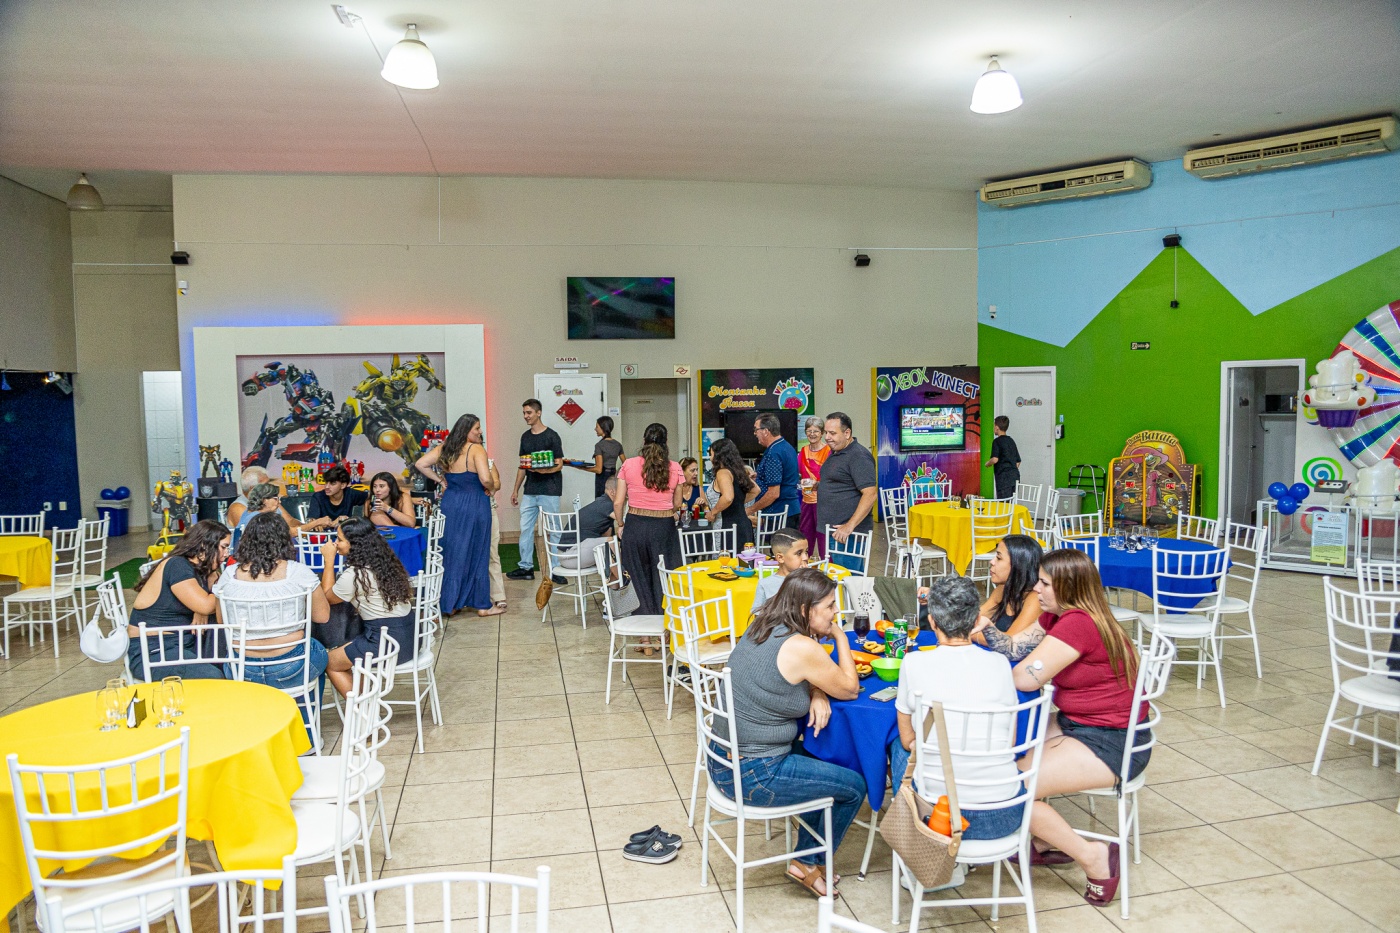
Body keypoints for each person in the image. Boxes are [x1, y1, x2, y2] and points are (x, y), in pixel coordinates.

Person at [706, 568, 864, 898]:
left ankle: (806, 857)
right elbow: (850, 689)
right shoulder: (801, 646)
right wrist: (840, 636)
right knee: (853, 786)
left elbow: (793, 675)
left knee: (824, 761)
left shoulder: (763, 624)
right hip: (753, 773)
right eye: (830, 606)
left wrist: (817, 691)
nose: (836, 613)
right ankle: (808, 862)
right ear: (806, 609)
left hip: (724, 760)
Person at [1010, 548, 1146, 907]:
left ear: (1068, 588)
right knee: (1008, 753)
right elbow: (1013, 647)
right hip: (1082, 723)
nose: (1035, 589)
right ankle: (1043, 839)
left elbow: (1024, 677)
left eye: (1044, 584)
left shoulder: (1078, 623)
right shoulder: (1060, 616)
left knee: (1010, 787)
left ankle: (1093, 856)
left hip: (1112, 740)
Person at [890, 576, 1025, 843]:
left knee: (897, 746)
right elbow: (1008, 742)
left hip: (938, 815)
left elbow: (908, 741)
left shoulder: (913, 663)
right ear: (977, 620)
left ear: (932, 622)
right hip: (1003, 813)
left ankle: (912, 837)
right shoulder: (1000, 664)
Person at [212, 512, 330, 709]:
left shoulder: (229, 575)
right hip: (292, 666)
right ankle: (305, 722)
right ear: (284, 539)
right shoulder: (298, 572)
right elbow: (323, 616)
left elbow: (221, 620)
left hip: (242, 668)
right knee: (317, 653)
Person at [320, 517, 417, 696]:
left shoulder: (355, 574)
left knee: (330, 662)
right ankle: (365, 699)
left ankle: (361, 709)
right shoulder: (385, 563)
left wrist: (329, 561)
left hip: (387, 643)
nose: (335, 543)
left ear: (354, 544)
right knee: (349, 647)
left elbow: (326, 598)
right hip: (411, 638)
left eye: (340, 539)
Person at [415, 413, 500, 616]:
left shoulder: (445, 448)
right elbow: (485, 478)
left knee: (452, 551)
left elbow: (420, 464)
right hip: (475, 503)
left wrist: (441, 481)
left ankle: (450, 603)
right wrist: (491, 488)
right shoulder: (476, 449)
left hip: (451, 503)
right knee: (478, 551)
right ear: (466, 430)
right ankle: (481, 605)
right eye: (477, 428)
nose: (480, 432)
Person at [127, 520, 230, 681]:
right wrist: (202, 607)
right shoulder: (177, 565)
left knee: (229, 664)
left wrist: (201, 606)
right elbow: (207, 604)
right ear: (205, 546)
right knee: (213, 677)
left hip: (183, 644)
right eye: (224, 547)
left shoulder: (201, 569)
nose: (227, 554)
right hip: (154, 650)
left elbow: (206, 603)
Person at [612, 422, 684, 616]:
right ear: (666, 442)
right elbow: (678, 503)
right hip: (664, 528)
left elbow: (618, 503)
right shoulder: (675, 467)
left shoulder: (628, 464)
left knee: (636, 576)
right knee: (665, 574)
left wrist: (621, 524)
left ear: (643, 441)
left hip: (635, 525)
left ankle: (643, 627)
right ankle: (665, 622)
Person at [507, 399, 563, 581]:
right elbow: (522, 466)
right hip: (530, 490)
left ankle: (556, 569)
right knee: (525, 528)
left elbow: (559, 464)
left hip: (550, 490)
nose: (526, 416)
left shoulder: (552, 436)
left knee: (554, 530)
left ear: (539, 413)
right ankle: (526, 567)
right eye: (524, 413)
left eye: (529, 412)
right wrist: (515, 490)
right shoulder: (525, 437)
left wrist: (543, 471)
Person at [814, 412, 877, 567]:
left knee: (848, 577)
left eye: (832, 433)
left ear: (847, 433)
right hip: (836, 531)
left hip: (848, 534)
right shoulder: (836, 451)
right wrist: (820, 486)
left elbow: (870, 493)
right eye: (826, 433)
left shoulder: (858, 456)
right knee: (841, 576)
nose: (827, 437)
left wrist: (849, 526)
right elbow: (843, 482)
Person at [972, 535, 1045, 661]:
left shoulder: (1036, 598)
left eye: (999, 558)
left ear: (1018, 565)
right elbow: (972, 619)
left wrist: (967, 634)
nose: (992, 562)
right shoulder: (1003, 589)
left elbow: (1009, 642)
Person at [748, 412, 800, 529]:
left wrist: (750, 510)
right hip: (791, 510)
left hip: (778, 514)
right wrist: (759, 477)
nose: (755, 433)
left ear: (766, 431)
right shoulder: (786, 446)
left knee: (778, 542)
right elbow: (784, 476)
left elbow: (773, 493)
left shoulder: (773, 453)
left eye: (756, 429)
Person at [706, 437, 757, 549]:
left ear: (718, 455)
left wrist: (713, 512)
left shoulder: (723, 472)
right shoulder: (738, 471)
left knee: (726, 558)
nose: (710, 458)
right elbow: (756, 490)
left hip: (728, 524)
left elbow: (728, 497)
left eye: (711, 454)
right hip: (744, 523)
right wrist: (738, 502)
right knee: (744, 558)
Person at [227, 466, 313, 530]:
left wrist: (308, 529)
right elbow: (256, 534)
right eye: (266, 484)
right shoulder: (237, 508)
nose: (270, 486)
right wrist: (312, 525)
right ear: (253, 489)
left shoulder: (270, 500)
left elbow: (290, 521)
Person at [567, 416, 626, 499]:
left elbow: (598, 469)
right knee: (613, 500)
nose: (595, 429)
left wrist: (582, 468)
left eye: (597, 427)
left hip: (602, 479)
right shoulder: (618, 445)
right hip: (614, 478)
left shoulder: (599, 445)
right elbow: (626, 464)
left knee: (601, 501)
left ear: (603, 428)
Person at [750, 528, 808, 614]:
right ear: (780, 558)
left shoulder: (811, 581)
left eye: (806, 552)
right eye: (799, 553)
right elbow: (758, 617)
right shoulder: (766, 584)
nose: (805, 557)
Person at [797, 416, 830, 556]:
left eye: (815, 431)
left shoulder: (828, 451)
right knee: (805, 536)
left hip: (823, 502)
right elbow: (799, 473)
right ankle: (804, 563)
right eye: (809, 431)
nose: (812, 434)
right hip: (806, 500)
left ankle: (826, 565)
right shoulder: (803, 451)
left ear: (822, 433)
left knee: (823, 537)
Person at [231, 483, 282, 551]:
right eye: (276, 499)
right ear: (264, 500)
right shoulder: (260, 519)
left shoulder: (248, 513)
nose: (279, 501)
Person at [985, 415, 1021, 501]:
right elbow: (1018, 461)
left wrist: (987, 463)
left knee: (1003, 504)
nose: (993, 428)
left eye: (994, 426)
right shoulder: (1011, 441)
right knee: (1012, 503)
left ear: (997, 428)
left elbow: (995, 459)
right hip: (1015, 477)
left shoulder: (997, 441)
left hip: (1003, 478)